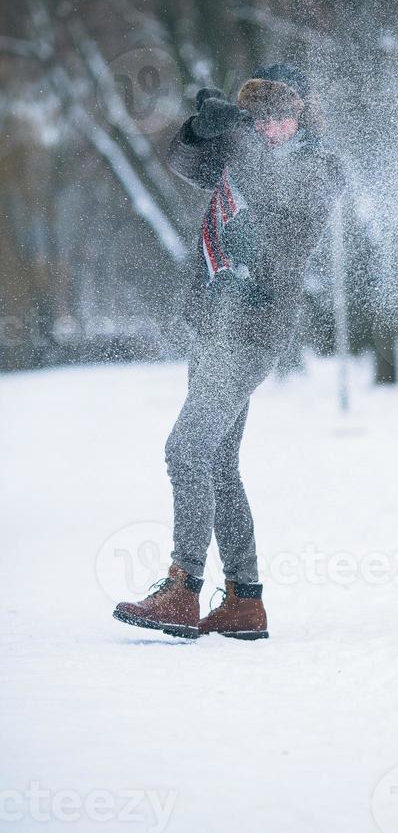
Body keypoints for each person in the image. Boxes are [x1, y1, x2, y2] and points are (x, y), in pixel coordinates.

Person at [113, 63, 346, 640]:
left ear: (301, 116)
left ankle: (182, 589)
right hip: (213, 324)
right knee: (217, 461)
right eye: (262, 115)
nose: (274, 126)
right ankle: (245, 600)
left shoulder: (318, 167)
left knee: (186, 449)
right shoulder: (239, 155)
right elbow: (185, 163)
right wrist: (200, 129)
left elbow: (285, 235)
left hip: (251, 327)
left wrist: (242, 142)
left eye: (283, 115)